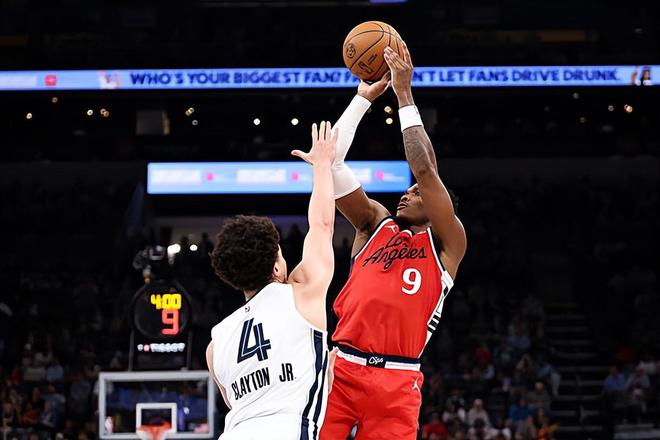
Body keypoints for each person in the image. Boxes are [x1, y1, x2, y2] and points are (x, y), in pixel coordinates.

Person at [314, 41, 467, 440]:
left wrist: (404, 94)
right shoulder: (374, 225)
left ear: (439, 205)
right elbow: (330, 164)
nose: (406, 193)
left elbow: (425, 170)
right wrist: (361, 100)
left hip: (398, 380)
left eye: (416, 193)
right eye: (408, 189)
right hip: (341, 370)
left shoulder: (447, 244)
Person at [206, 121, 338, 439]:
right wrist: (322, 166)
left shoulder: (215, 345)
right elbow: (322, 225)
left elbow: (239, 405)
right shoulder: (302, 292)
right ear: (277, 268)